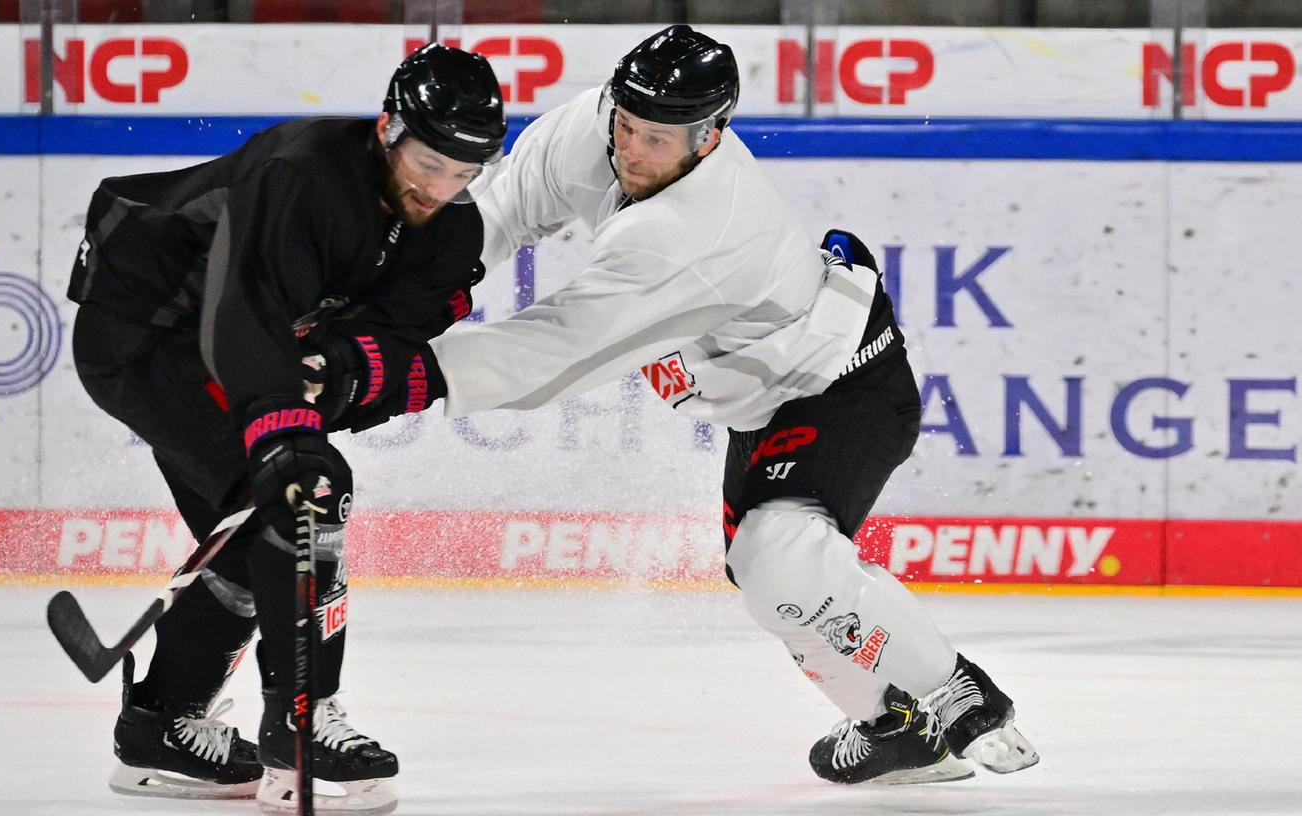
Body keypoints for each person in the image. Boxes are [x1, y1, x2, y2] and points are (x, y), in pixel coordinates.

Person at [320, 26, 1039, 786]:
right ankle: (891, 728)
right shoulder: (599, 124)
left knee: (777, 556)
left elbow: (558, 349)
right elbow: (496, 216)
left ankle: (958, 691)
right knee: (765, 575)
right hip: (760, 401)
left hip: (844, 383)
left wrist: (383, 370)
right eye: (626, 126)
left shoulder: (701, 231)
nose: (630, 149)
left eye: (656, 139)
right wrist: (389, 302)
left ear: (710, 135)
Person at [67, 44, 506, 811]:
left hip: (228, 345)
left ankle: (160, 726)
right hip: (143, 334)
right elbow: (241, 316)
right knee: (305, 490)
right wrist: (282, 432)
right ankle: (301, 727)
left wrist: (337, 374)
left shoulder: (448, 231)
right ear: (387, 129)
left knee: (258, 538)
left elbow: (391, 344)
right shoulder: (299, 172)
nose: (441, 188)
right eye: (429, 163)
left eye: (464, 172)